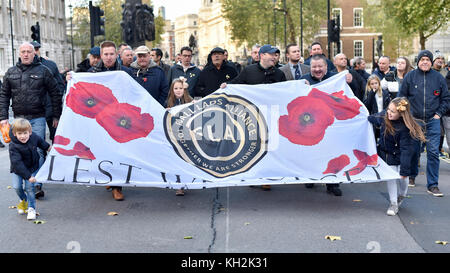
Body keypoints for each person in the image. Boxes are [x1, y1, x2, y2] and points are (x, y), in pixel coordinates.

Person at [1, 42, 62, 199]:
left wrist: (56, 115)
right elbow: (4, 96)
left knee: (38, 150)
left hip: (38, 118)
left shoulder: (44, 71)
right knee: (18, 151)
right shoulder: (10, 72)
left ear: (34, 53)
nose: (26, 54)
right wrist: (3, 118)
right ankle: (23, 179)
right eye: (23, 52)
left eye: (29, 51)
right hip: (18, 120)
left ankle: (36, 184)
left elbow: (55, 92)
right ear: (19, 53)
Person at [221, 44, 286, 191]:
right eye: (271, 54)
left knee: (270, 147)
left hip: (271, 117)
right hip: (252, 117)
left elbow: (285, 91)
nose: (274, 57)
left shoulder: (279, 74)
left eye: (276, 55)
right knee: (253, 146)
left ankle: (267, 177)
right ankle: (253, 175)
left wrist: (302, 85)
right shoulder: (249, 71)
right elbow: (236, 83)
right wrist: (227, 86)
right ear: (262, 55)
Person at [80, 41, 132, 200]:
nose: (108, 57)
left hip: (119, 119)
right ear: (101, 56)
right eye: (105, 54)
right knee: (101, 151)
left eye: (111, 54)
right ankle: (107, 177)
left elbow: (133, 94)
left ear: (116, 55)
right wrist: (70, 77)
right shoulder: (91, 73)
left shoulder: (125, 72)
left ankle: (117, 187)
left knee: (118, 152)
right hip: (99, 119)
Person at [398, 50, 449, 196]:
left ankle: (432, 185)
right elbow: (402, 96)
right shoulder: (410, 76)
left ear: (431, 62)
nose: (425, 62)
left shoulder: (439, 78)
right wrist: (407, 114)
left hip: (433, 121)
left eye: (428, 59)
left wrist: (439, 113)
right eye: (422, 59)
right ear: (418, 61)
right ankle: (412, 175)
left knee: (433, 152)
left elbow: (446, 99)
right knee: (414, 150)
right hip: (415, 120)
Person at [300, 54, 353, 196]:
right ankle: (311, 177)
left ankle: (333, 184)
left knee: (332, 154)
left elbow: (354, 93)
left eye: (320, 66)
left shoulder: (336, 77)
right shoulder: (302, 79)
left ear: (326, 67)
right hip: (310, 124)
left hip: (332, 125)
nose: (317, 69)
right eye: (314, 67)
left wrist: (350, 80)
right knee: (312, 153)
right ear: (310, 67)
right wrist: (300, 88)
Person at [368, 98, 425, 215]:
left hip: (403, 156)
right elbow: (372, 118)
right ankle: (393, 203)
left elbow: (406, 151)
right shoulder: (384, 118)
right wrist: (366, 117)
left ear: (401, 114)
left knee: (403, 180)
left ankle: (402, 195)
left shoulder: (405, 129)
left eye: (393, 111)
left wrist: (405, 170)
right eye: (388, 109)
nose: (389, 112)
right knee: (391, 178)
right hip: (389, 155)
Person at [9, 118, 52, 220]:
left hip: (32, 167)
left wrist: (50, 149)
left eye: (25, 133)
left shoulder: (33, 137)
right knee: (17, 187)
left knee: (30, 188)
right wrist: (28, 176)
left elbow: (42, 143)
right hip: (18, 170)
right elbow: (17, 163)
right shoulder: (13, 146)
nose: (23, 136)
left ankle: (31, 208)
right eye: (20, 133)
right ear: (15, 134)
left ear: (30, 132)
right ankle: (23, 200)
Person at [31, 41, 65, 145]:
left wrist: (55, 101)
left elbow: (60, 84)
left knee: (56, 138)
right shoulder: (25, 68)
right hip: (35, 111)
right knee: (38, 141)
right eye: (33, 50)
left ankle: (55, 160)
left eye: (36, 49)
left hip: (51, 108)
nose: (35, 52)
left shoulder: (50, 65)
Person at [166, 77, 193, 196]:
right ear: (172, 90)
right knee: (176, 160)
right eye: (175, 88)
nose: (178, 90)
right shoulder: (168, 102)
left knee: (185, 160)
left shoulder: (189, 100)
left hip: (186, 135)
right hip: (173, 135)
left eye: (180, 88)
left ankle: (186, 181)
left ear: (184, 89)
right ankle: (179, 185)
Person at [364, 75, 391, 140]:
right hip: (373, 118)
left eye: (376, 83)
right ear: (369, 85)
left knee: (384, 137)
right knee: (374, 138)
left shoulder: (385, 93)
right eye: (372, 84)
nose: (374, 85)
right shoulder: (368, 94)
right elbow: (367, 106)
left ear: (379, 83)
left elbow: (388, 105)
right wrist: (371, 94)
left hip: (383, 117)